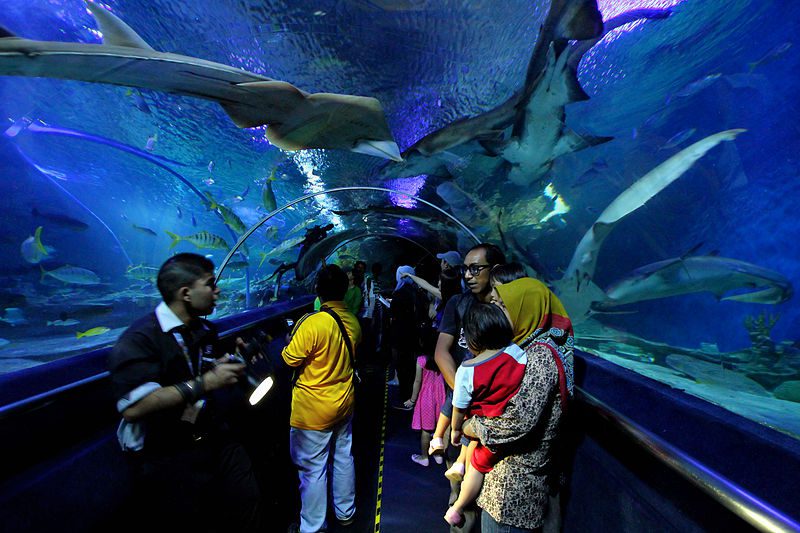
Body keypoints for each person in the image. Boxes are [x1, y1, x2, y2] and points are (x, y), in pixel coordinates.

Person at [108, 253, 263, 532]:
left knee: (246, 499)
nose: (217, 290)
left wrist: (229, 362)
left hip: (214, 435)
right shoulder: (140, 338)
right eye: (210, 283)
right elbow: (134, 406)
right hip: (170, 451)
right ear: (186, 293)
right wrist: (205, 383)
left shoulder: (205, 329)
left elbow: (202, 364)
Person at [465, 277, 574, 533]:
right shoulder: (525, 348)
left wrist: (473, 426)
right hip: (506, 484)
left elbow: (518, 422)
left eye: (503, 306)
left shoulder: (540, 356)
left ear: (526, 308)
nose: (498, 312)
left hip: (514, 492)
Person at [282, 264, 361, 533]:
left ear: (317, 290)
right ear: (345, 289)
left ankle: (313, 526)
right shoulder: (352, 321)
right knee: (343, 457)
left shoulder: (314, 322)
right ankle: (345, 512)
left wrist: (289, 339)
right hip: (344, 403)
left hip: (313, 410)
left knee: (312, 469)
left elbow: (289, 358)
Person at [444, 303, 526, 527]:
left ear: (472, 337)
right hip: (503, 418)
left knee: (477, 465)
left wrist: (455, 430)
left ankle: (457, 507)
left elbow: (459, 407)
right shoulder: (516, 352)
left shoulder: (467, 369)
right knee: (474, 454)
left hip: (483, 425)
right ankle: (460, 465)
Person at [404, 352, 446, 467]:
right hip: (441, 394)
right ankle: (438, 455)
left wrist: (412, 400)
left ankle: (424, 457)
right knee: (440, 427)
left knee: (426, 430)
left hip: (427, 396)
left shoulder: (421, 359)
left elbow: (417, 381)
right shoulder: (442, 356)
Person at [389, 265, 422, 398]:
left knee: (401, 364)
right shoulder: (416, 290)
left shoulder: (399, 293)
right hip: (413, 333)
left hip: (400, 333)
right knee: (410, 365)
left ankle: (404, 396)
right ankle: (411, 394)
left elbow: (395, 313)